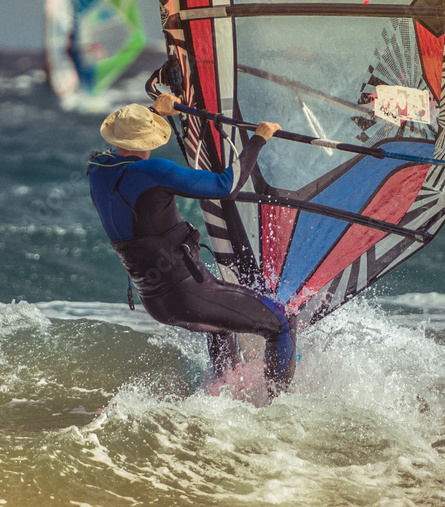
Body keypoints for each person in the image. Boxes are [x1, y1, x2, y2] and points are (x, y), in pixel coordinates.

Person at [86, 93, 297, 398]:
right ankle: (281, 411)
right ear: (149, 141)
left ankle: (224, 396)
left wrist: (152, 113)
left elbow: (123, 148)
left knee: (220, 325)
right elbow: (225, 186)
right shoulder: (154, 171)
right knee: (280, 321)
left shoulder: (97, 167)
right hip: (188, 293)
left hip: (155, 302)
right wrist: (258, 139)